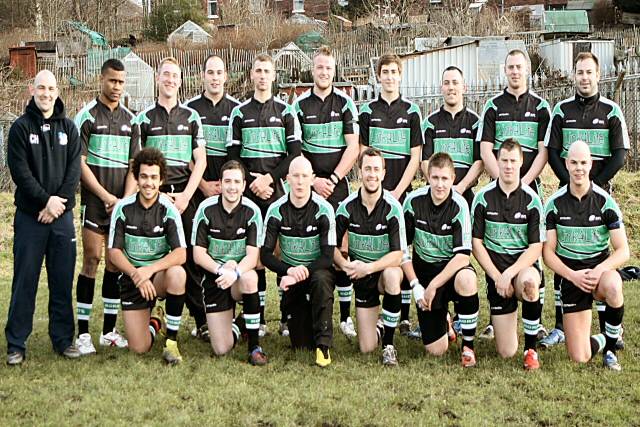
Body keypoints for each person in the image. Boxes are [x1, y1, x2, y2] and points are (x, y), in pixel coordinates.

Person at [543, 52, 629, 348]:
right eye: (579, 72)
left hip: (599, 189)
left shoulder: (612, 110)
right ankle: (559, 325)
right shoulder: (561, 109)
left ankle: (610, 331)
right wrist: (570, 182)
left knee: (597, 254)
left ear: (597, 74)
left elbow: (619, 153)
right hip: (568, 191)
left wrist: (597, 183)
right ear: (574, 76)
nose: (584, 77)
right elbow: (553, 151)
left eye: (589, 72)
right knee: (565, 250)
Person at [5, 69, 82, 365]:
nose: (46, 93)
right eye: (41, 88)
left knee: (62, 280)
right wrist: (44, 201)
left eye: (51, 88)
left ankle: (63, 339)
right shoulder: (21, 129)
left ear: (58, 91)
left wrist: (57, 204)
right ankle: (16, 343)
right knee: (25, 280)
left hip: (61, 216)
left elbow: (73, 171)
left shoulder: (70, 129)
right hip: (30, 216)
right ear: (31, 90)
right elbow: (20, 172)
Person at [477, 49, 551, 341]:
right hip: (500, 188)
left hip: (530, 187)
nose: (515, 72)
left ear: (527, 70)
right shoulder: (493, 107)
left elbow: (544, 151)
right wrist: (503, 182)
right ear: (504, 70)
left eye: (520, 67)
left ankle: (537, 318)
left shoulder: (542, 107)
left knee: (537, 251)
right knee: (497, 243)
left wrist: (523, 181)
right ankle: (498, 315)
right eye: (510, 67)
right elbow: (485, 149)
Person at [133, 57, 208, 341]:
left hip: (185, 198)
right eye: (165, 75)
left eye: (174, 76)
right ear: (158, 79)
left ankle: (200, 319)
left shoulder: (191, 117)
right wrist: (158, 194)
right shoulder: (143, 119)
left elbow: (200, 160)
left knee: (190, 258)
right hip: (154, 197)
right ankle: (149, 312)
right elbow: (138, 162)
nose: (170, 80)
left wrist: (187, 196)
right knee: (151, 253)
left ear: (180, 80)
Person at [227, 54, 302, 337]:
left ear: (273, 76)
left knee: (281, 253)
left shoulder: (286, 111)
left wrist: (270, 178)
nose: (261, 75)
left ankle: (285, 317)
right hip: (248, 194)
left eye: (266, 71)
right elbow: (232, 157)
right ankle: (255, 318)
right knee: (253, 254)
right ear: (251, 75)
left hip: (277, 192)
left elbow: (294, 155)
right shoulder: (239, 112)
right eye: (257, 70)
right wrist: (251, 183)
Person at [292, 46, 360, 339]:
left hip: (338, 186)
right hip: (308, 187)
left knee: (341, 249)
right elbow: (296, 149)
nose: (324, 73)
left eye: (328, 68)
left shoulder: (346, 103)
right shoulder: (298, 105)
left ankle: (345, 317)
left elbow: (353, 147)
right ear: (313, 71)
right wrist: (312, 181)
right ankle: (292, 312)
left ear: (334, 71)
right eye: (319, 68)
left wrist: (331, 178)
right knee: (303, 245)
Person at [542, 141, 628, 370]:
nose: (579, 168)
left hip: (599, 275)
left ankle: (610, 348)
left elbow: (623, 250)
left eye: (583, 163)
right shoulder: (553, 204)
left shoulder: (605, 202)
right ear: (566, 165)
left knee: (613, 284)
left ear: (591, 164)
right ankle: (605, 337)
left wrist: (600, 270)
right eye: (574, 163)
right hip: (572, 279)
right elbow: (548, 254)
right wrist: (572, 276)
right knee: (579, 357)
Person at [73, 58, 139, 354]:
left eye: (121, 82)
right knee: (92, 260)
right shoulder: (86, 117)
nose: (116, 87)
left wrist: (123, 201)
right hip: (95, 204)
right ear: (101, 79)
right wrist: (105, 197)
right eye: (112, 81)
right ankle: (83, 333)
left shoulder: (131, 120)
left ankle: (109, 331)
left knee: (115, 264)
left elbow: (134, 165)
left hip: (119, 206)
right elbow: (80, 164)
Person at [358, 53, 422, 333]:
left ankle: (404, 315)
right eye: (384, 71)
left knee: (403, 251)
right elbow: (362, 153)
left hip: (401, 192)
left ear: (400, 75)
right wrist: (380, 189)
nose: (389, 76)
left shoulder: (411, 111)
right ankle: (372, 309)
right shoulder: (367, 112)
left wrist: (397, 190)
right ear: (378, 76)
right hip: (376, 192)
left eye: (394, 71)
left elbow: (416, 155)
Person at [108, 148, 187, 364]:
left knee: (178, 274)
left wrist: (149, 270)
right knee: (139, 348)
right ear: (136, 177)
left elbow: (181, 253)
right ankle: (155, 322)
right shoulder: (122, 208)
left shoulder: (168, 209)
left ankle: (171, 342)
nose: (148, 183)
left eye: (153, 177)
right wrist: (136, 274)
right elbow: (114, 253)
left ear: (161, 180)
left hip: (157, 276)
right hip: (133, 278)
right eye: (143, 176)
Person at [471, 139, 544, 370]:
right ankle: (509, 329)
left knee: (530, 283)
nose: (508, 166)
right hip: (496, 276)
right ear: (497, 161)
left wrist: (510, 273)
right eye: (504, 160)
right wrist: (496, 276)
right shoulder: (482, 198)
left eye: (513, 161)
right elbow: (476, 243)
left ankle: (531, 350)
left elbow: (536, 247)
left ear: (521, 162)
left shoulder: (532, 199)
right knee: (505, 352)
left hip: (522, 270)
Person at [403, 153, 479, 367]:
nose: (439, 184)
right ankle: (444, 319)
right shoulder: (413, 202)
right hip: (425, 273)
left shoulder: (460, 205)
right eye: (435, 178)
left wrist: (435, 285)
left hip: (451, 271)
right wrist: (417, 285)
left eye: (445, 179)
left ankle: (468, 346)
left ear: (453, 178)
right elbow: (402, 250)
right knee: (436, 350)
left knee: (467, 279)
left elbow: (463, 255)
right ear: (428, 176)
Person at [184, 54, 240, 341]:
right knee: (198, 254)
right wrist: (203, 185)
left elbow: (239, 154)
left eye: (219, 72)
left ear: (226, 76)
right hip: (199, 191)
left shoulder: (238, 110)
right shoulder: (190, 110)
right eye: (210, 72)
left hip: (230, 191)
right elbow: (186, 153)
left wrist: (231, 184)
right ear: (202, 76)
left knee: (234, 250)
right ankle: (201, 317)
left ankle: (237, 315)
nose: (215, 77)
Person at [261, 156, 336, 367]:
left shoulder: (324, 209)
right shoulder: (276, 210)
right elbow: (265, 254)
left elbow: (328, 256)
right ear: (287, 180)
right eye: (296, 176)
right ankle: (298, 320)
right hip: (291, 276)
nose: (300, 181)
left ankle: (324, 346)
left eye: (305, 176)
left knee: (321, 280)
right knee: (301, 345)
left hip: (317, 271)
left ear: (313, 179)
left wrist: (303, 271)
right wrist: (289, 271)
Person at [334, 148, 406, 366]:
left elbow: (398, 254)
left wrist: (370, 267)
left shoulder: (393, 208)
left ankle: (389, 346)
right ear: (360, 171)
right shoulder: (346, 208)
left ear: (383, 173)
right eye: (367, 169)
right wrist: (346, 266)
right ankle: (380, 325)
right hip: (361, 277)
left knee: (393, 275)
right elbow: (332, 248)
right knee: (366, 347)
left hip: (382, 272)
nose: (372, 174)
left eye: (376, 169)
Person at [192, 160, 267, 365]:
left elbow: (253, 257)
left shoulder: (252, 211)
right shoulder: (205, 209)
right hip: (215, 278)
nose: (232, 187)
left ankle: (254, 347)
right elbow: (198, 254)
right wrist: (220, 270)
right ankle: (240, 324)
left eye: (236, 182)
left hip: (237, 278)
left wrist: (235, 272)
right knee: (221, 349)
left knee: (251, 278)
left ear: (243, 185)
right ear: (221, 183)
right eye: (228, 181)